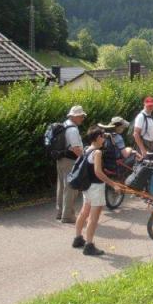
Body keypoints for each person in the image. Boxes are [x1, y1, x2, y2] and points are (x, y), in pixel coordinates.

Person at [72, 126, 118, 256]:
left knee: (83, 212)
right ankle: (89, 245)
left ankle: (78, 238)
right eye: (103, 136)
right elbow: (98, 172)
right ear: (98, 138)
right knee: (93, 217)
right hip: (96, 188)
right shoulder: (97, 152)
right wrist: (113, 184)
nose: (104, 139)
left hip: (87, 187)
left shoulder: (87, 149)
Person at [56, 105, 86, 223]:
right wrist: (84, 158)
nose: (82, 118)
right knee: (71, 188)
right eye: (81, 116)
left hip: (61, 159)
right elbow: (75, 148)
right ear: (74, 116)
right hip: (70, 161)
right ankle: (67, 216)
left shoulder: (64, 125)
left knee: (61, 187)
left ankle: (60, 213)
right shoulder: (72, 129)